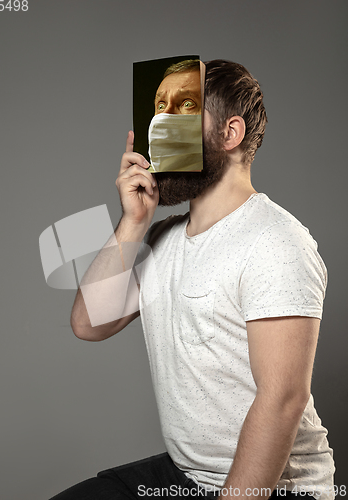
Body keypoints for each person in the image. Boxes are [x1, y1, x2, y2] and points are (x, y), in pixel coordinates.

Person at [52, 60, 335, 499]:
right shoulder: (164, 238)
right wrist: (134, 222)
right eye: (158, 111)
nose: (160, 128)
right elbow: (90, 323)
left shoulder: (276, 241)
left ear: (230, 134)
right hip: (188, 475)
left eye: (183, 110)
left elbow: (282, 402)